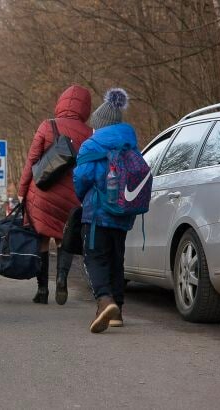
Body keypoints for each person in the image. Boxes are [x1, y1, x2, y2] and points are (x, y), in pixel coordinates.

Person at [18, 85, 92, 305]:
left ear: (61, 103)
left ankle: (42, 290)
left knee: (42, 239)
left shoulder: (47, 125)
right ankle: (61, 279)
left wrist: (22, 191)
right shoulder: (90, 133)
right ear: (85, 108)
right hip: (71, 197)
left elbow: (32, 161)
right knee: (63, 238)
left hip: (42, 193)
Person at [73, 88, 136, 333]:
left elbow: (81, 178)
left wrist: (82, 198)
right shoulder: (131, 144)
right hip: (123, 213)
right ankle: (117, 311)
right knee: (116, 260)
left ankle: (104, 300)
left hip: (97, 213)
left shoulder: (91, 145)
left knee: (94, 258)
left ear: (99, 124)